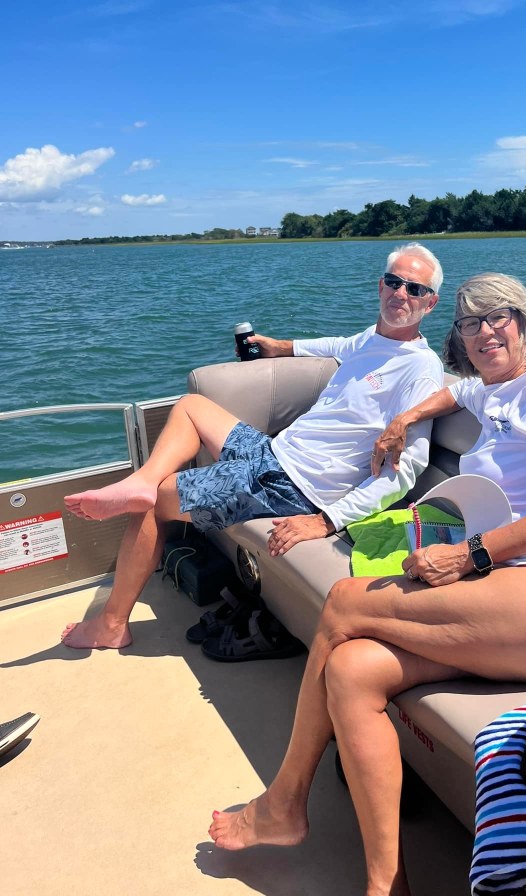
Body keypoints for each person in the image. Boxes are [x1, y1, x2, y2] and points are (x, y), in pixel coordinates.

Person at [207, 272, 526, 896]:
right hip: (511, 597)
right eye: (470, 322)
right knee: (352, 669)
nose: (485, 332)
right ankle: (387, 885)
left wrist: (469, 555)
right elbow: (456, 392)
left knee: (345, 601)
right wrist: (405, 416)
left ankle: (284, 800)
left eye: (500, 317)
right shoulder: (493, 391)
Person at [61, 243, 443, 650]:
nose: (401, 293)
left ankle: (112, 625)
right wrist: (280, 346)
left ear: (430, 303)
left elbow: (408, 468)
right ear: (380, 286)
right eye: (394, 282)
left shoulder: (421, 368)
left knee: (158, 500)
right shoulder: (370, 339)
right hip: (274, 453)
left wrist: (328, 520)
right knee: (191, 406)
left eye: (415, 289)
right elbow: (336, 345)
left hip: (295, 485)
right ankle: (142, 479)